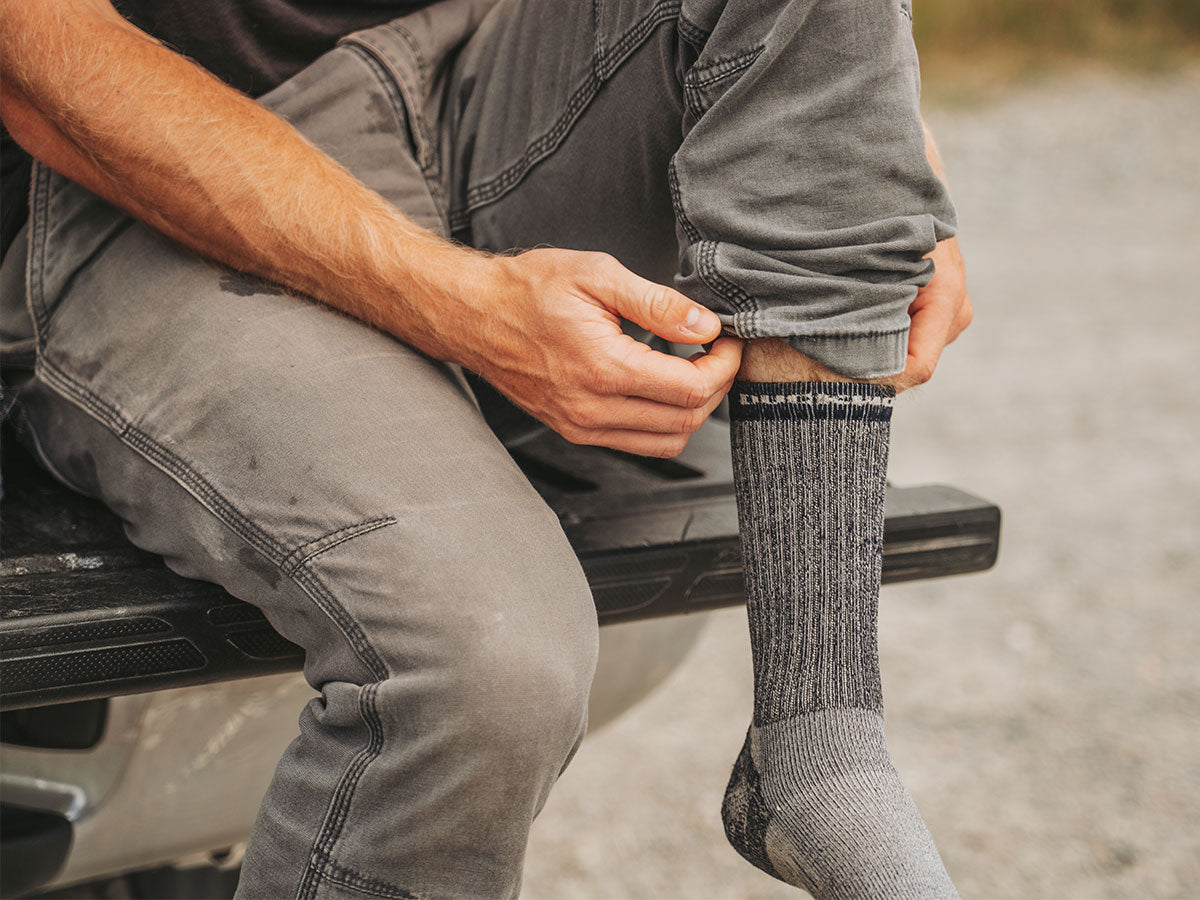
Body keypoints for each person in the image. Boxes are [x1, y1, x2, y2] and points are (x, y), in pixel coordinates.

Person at [0, 0, 972, 896]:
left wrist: (870, 159)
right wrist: (460, 304)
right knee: (487, 667)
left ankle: (819, 741)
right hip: (131, 186)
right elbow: (39, 60)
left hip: (485, 72)